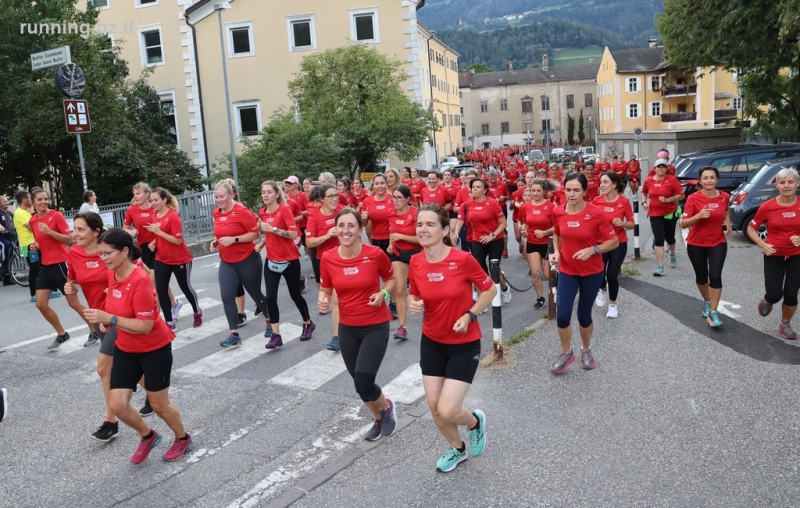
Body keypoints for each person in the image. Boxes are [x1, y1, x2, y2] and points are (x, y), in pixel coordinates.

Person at [84, 228, 193, 464]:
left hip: (154, 349)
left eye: (107, 253)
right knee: (118, 405)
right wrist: (110, 322)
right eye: (100, 254)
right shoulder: (113, 274)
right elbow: (118, 308)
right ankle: (148, 435)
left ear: (124, 251)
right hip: (126, 347)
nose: (103, 258)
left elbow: (144, 326)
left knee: (158, 404)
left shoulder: (140, 280)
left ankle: (183, 438)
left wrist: (110, 318)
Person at [408, 204, 495, 472]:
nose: (423, 229)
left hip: (463, 344)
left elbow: (489, 291)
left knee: (447, 410)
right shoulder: (415, 261)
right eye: (419, 224)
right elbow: (416, 293)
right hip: (432, 341)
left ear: (445, 229)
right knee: (435, 409)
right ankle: (457, 449)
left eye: (430, 224)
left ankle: (474, 423)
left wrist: (470, 315)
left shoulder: (462, 259)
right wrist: (414, 303)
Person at [318, 209, 398, 441]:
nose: (346, 230)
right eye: (341, 225)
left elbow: (392, 280)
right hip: (348, 327)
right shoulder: (328, 258)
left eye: (351, 226)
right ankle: (378, 416)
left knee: (364, 381)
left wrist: (383, 293)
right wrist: (323, 298)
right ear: (335, 229)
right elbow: (326, 288)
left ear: (361, 230)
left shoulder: (374, 254)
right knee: (359, 383)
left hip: (375, 325)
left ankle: (387, 407)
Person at [549, 173, 619, 374]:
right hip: (568, 271)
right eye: (568, 190)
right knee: (562, 316)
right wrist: (557, 252)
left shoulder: (596, 213)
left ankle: (586, 350)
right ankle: (566, 352)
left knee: (583, 315)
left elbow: (613, 241)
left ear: (585, 192)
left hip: (592, 272)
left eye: (576, 190)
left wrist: (593, 250)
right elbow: (557, 232)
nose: (571, 194)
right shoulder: (558, 212)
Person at [63, 213, 121, 440]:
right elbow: (73, 280)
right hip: (98, 317)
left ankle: (111, 421)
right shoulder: (74, 253)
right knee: (125, 364)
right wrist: (70, 287)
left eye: (80, 230)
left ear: (96, 232)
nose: (75, 234)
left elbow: (134, 275)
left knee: (104, 368)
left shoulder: (111, 251)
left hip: (119, 317)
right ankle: (153, 392)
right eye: (74, 229)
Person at [210, 180, 271, 347]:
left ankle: (269, 319)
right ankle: (234, 334)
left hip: (247, 259)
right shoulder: (216, 213)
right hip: (227, 262)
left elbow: (254, 235)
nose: (219, 200)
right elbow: (222, 231)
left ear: (231, 195)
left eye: (221, 196)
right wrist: (216, 241)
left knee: (256, 294)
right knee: (226, 296)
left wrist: (234, 239)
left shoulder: (242, 212)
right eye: (216, 197)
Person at [259, 181, 315, 349]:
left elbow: (293, 233)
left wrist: (273, 229)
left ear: (277, 194)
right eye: (263, 192)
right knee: (270, 298)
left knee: (295, 295)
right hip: (271, 260)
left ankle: (307, 323)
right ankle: (276, 335)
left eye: (269, 192)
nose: (265, 195)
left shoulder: (284, 210)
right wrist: (262, 244)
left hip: (289, 260)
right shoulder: (262, 212)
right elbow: (269, 236)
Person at [747, 167, 800, 340]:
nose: (787, 186)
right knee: (775, 294)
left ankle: (785, 324)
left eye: (790, 182)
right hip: (774, 255)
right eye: (782, 182)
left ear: (797, 184)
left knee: (791, 294)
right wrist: (763, 243)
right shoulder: (767, 207)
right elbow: (751, 228)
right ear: (776, 185)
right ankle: (768, 300)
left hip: (797, 256)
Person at [680, 167, 732, 328]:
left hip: (718, 242)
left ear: (717, 180)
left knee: (715, 276)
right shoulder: (693, 198)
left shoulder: (724, 196)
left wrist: (727, 220)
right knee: (701, 278)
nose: (709, 180)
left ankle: (714, 312)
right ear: (700, 181)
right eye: (705, 178)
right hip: (696, 244)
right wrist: (698, 216)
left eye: (712, 178)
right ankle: (707, 301)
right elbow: (683, 223)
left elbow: (726, 209)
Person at [144, 187, 202, 329]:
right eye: (151, 200)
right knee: (161, 290)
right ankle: (169, 321)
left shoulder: (173, 216)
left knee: (185, 287)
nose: (153, 203)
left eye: (156, 200)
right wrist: (154, 242)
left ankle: (197, 311)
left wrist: (158, 232)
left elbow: (177, 240)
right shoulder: (154, 215)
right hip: (162, 258)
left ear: (164, 200)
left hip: (180, 259)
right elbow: (159, 236)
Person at [123, 182, 181, 322]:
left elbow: (166, 224)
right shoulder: (132, 210)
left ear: (147, 194)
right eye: (134, 194)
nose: (135, 197)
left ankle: (157, 317)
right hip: (144, 248)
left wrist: (156, 239)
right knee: (160, 280)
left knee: (152, 283)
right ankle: (174, 303)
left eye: (138, 193)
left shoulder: (155, 208)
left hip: (158, 247)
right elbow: (125, 227)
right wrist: (130, 231)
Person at [29, 189, 78, 349]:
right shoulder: (33, 220)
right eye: (40, 199)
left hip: (60, 262)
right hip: (46, 265)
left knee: (73, 302)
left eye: (46, 199)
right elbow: (41, 240)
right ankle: (62, 334)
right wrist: (36, 246)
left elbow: (71, 239)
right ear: (33, 202)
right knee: (41, 304)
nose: (44, 202)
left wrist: (50, 232)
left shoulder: (56, 216)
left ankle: (94, 330)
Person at [453, 178, 513, 304]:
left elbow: (503, 223)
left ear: (485, 190)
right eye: (473, 187)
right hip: (477, 240)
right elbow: (460, 220)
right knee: (479, 270)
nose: (474, 189)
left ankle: (504, 288)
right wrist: (456, 233)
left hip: (495, 239)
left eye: (478, 187)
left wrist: (492, 235)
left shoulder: (492, 203)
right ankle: (483, 301)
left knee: (494, 268)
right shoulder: (467, 204)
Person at [307, 184, 344, 350]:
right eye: (331, 196)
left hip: (343, 260)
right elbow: (309, 242)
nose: (335, 199)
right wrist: (327, 235)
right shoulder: (314, 215)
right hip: (325, 261)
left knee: (337, 299)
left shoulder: (343, 212)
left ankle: (337, 336)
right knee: (334, 298)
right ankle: (340, 334)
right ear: (322, 199)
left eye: (336, 195)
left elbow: (357, 227)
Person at [593, 172, 634, 318]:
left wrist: (623, 224)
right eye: (601, 182)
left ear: (614, 184)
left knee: (611, 274)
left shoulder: (624, 202)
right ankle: (603, 290)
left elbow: (632, 224)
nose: (602, 185)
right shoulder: (596, 201)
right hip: (600, 242)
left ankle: (612, 305)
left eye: (605, 182)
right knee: (598, 273)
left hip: (618, 243)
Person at [385, 185, 420, 340]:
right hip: (398, 255)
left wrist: (402, 237)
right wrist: (391, 244)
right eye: (394, 197)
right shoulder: (390, 214)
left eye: (399, 197)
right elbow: (391, 232)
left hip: (415, 254)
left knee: (424, 291)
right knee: (399, 290)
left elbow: (420, 238)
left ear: (407, 199)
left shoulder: (415, 213)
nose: (396, 200)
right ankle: (402, 327)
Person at [360, 174, 397, 318]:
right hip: (375, 241)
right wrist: (363, 219)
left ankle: (393, 304)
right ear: (373, 186)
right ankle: (376, 299)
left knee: (390, 275)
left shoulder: (392, 199)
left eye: (383, 183)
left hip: (391, 241)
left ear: (387, 184)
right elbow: (364, 225)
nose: (380, 186)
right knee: (374, 274)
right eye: (377, 184)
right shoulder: (368, 201)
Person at [641, 158, 685, 276]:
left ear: (667, 169)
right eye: (658, 167)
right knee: (659, 239)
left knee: (670, 238)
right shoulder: (648, 180)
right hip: (655, 214)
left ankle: (672, 253)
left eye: (663, 167)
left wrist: (668, 199)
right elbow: (643, 192)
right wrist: (644, 202)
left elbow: (681, 195)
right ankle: (660, 267)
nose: (661, 169)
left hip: (670, 213)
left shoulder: (672, 180)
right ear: (654, 169)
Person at [519, 179, 557, 310]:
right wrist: (524, 229)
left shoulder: (551, 207)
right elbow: (526, 222)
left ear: (544, 191)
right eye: (533, 190)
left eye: (538, 191)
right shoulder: (526, 206)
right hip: (532, 242)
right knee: (535, 272)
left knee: (548, 274)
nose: (535, 193)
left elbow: (557, 227)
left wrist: (545, 232)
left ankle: (560, 291)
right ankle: (540, 297)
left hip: (548, 243)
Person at [13, 190, 47, 300]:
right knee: (35, 269)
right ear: (24, 200)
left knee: (40, 268)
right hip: (27, 245)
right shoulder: (20, 213)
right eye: (29, 198)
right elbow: (33, 227)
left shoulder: (25, 211)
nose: (31, 200)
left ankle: (45, 291)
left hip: (31, 244)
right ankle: (34, 294)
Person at [0, 195, 17, 285]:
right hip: (1, 237)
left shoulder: (9, 213)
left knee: (12, 252)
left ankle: (7, 277)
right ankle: (2, 267)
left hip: (10, 236)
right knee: (6, 245)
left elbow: (15, 222)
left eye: (7, 201)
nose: (7, 203)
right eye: (4, 201)